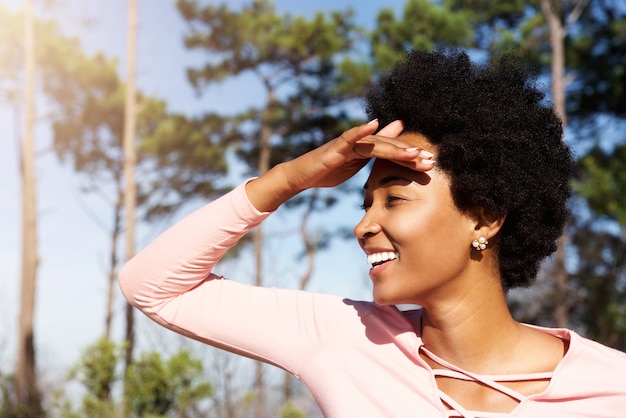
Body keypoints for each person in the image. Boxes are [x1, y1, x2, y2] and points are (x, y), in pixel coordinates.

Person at [119, 49, 626, 417]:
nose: (364, 226)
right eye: (365, 204)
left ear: (485, 216)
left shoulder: (611, 388)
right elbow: (153, 285)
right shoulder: (344, 341)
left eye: (395, 198)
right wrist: (291, 177)